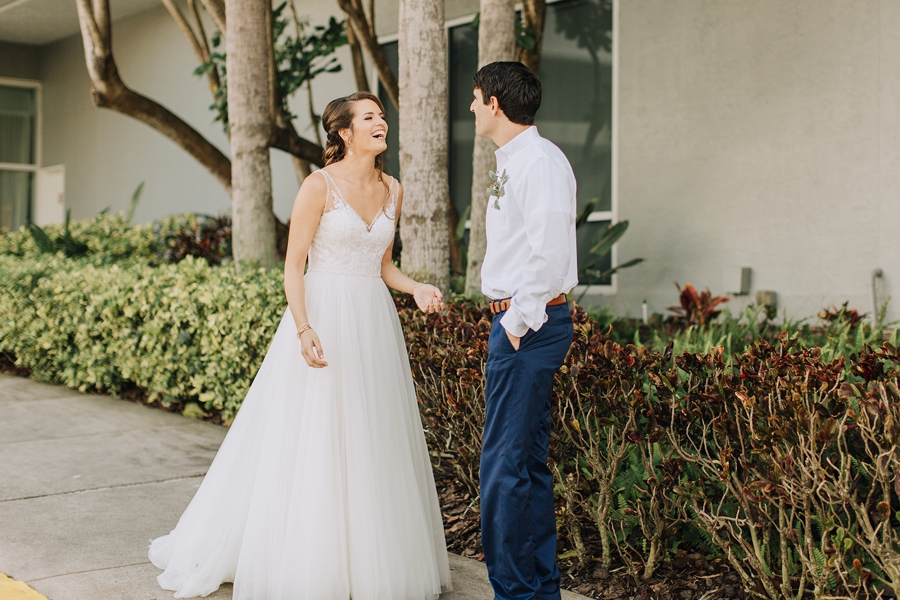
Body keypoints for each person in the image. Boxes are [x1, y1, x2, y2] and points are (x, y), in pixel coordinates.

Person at [149, 91, 452, 600]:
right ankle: (307, 560)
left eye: (382, 116)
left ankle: (366, 563)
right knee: (314, 436)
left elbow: (383, 265)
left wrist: (416, 287)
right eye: (370, 117)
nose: (382, 123)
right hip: (324, 315)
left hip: (373, 321)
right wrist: (304, 327)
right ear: (343, 132)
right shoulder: (318, 186)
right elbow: (294, 265)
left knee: (368, 435)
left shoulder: (393, 189)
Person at [470, 62, 578, 600]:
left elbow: (551, 251)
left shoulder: (539, 162)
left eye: (474, 98)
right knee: (525, 466)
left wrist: (514, 321)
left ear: (494, 102)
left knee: (503, 467)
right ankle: (537, 591)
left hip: (529, 325)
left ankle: (516, 592)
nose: (470, 108)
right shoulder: (515, 160)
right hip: (522, 322)